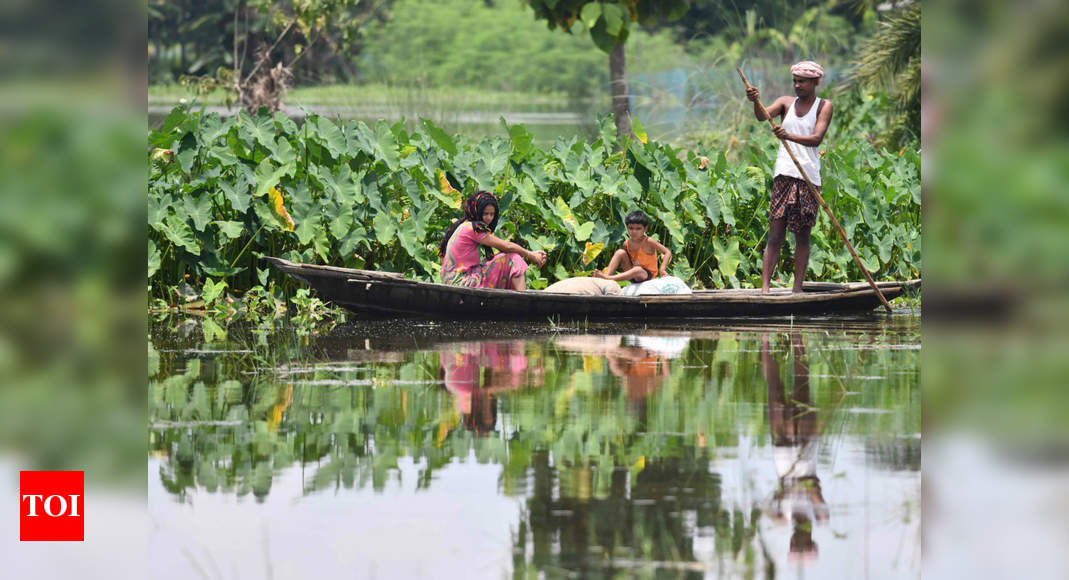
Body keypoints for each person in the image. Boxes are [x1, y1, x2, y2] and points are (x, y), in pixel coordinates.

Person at [746, 60, 835, 293]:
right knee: (775, 233)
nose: (797, 85)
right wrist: (755, 101)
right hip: (784, 174)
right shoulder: (786, 103)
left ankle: (797, 290)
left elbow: (816, 138)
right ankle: (764, 289)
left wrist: (788, 135)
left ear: (815, 82)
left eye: (802, 82)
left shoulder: (823, 106)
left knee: (802, 236)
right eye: (795, 81)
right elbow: (761, 116)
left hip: (807, 177)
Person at [761, 332, 829, 562]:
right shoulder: (818, 515)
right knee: (803, 385)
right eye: (805, 541)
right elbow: (816, 491)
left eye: (799, 541)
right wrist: (804, 489)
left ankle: (765, 341)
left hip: (784, 454)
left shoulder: (784, 517)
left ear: (793, 539)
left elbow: (770, 504)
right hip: (807, 453)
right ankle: (797, 338)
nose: (802, 536)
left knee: (775, 391)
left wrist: (787, 494)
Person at [439, 191, 547, 290]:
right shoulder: (473, 228)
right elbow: (506, 246)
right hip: (460, 282)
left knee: (503, 257)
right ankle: (523, 301)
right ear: (478, 211)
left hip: (455, 279)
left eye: (492, 214)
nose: (489, 218)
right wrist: (531, 255)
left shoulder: (466, 225)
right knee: (514, 259)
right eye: (485, 214)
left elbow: (501, 250)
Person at [593, 210, 672, 283]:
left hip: (646, 275)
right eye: (631, 228)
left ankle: (607, 279)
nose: (634, 231)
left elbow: (667, 252)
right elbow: (626, 261)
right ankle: (606, 276)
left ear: (645, 229)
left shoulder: (649, 241)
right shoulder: (626, 243)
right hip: (633, 273)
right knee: (620, 252)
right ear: (627, 228)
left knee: (637, 270)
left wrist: (662, 269)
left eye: (638, 229)